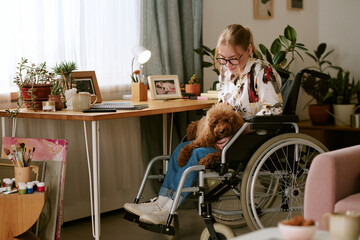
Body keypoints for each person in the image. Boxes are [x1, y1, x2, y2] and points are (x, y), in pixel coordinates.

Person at [124, 24, 283, 225]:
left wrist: (242, 130)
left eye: (233, 58)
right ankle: (162, 202)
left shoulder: (262, 72)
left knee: (197, 154)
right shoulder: (227, 73)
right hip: (225, 135)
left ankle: (169, 209)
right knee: (182, 148)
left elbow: (274, 110)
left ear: (249, 49)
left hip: (250, 137)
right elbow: (223, 106)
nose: (228, 64)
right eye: (223, 58)